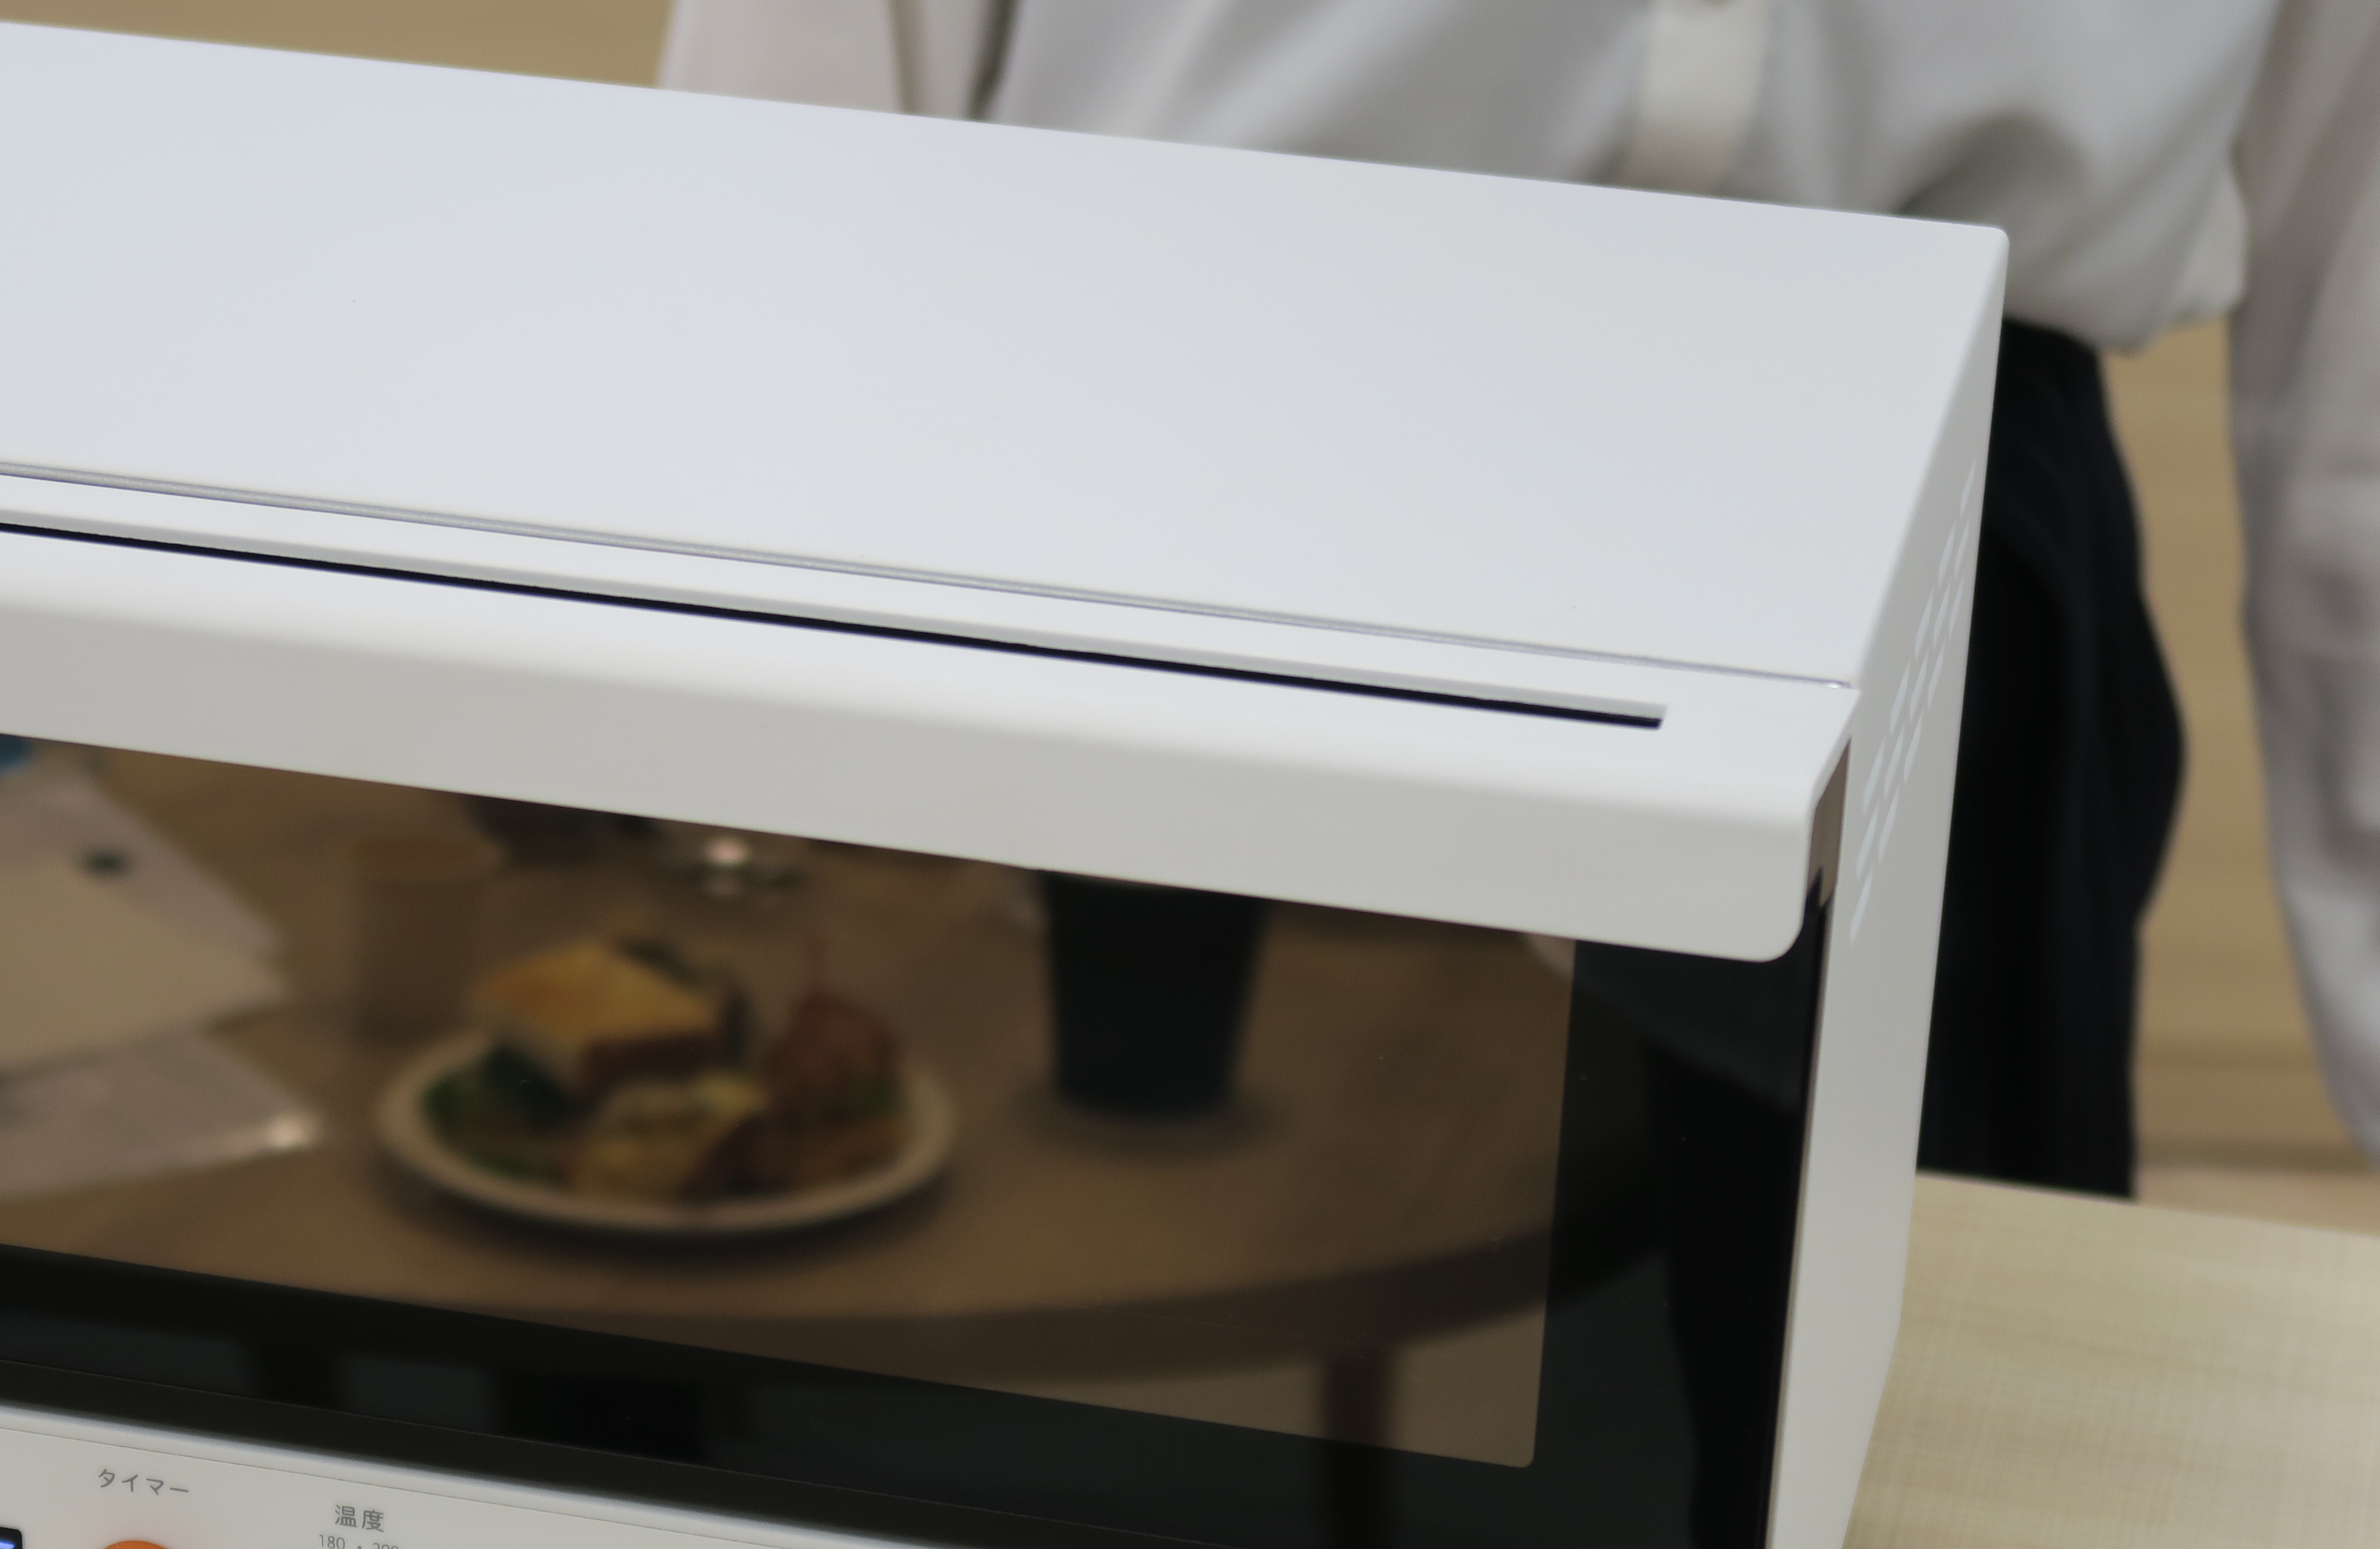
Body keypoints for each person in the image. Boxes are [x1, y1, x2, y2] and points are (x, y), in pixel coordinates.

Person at [661, 0, 2380, 1196]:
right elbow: (801, 97)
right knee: (1028, 1398)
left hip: (1924, 575)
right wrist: (686, 708)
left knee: (1891, 1530)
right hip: (1138, 490)